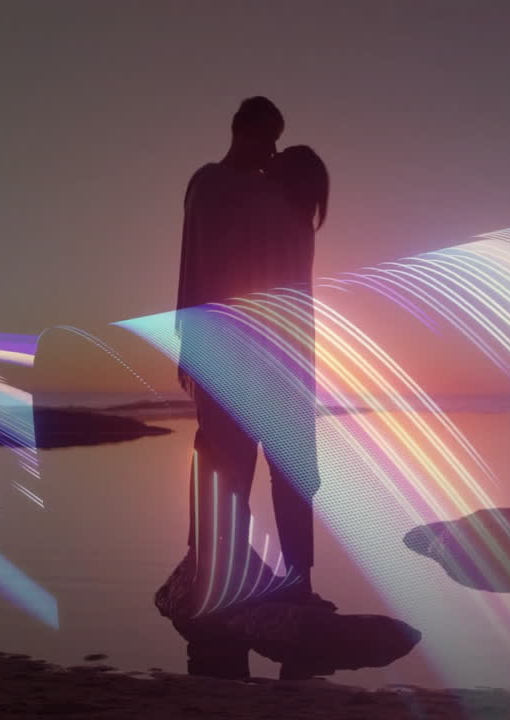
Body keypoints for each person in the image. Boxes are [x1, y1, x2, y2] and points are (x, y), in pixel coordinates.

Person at [173, 97, 333, 616]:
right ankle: (254, 573)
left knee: (234, 464)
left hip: (246, 348)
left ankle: (235, 569)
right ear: (243, 131)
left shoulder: (225, 187)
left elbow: (195, 267)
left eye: (277, 141)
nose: (272, 150)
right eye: (268, 138)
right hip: (250, 350)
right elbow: (197, 265)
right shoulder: (245, 190)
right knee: (243, 465)